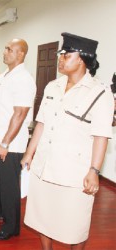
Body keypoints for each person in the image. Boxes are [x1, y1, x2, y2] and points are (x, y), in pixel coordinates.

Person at [21, 33, 114, 249]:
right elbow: (41, 123)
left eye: (66, 55)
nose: (60, 59)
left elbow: (101, 135)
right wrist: (29, 153)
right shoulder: (52, 86)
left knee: (75, 226)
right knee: (42, 219)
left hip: (74, 173)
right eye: (60, 54)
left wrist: (94, 170)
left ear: (81, 59)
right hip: (44, 166)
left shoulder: (100, 93)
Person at [0, 38, 36, 240]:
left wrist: (5, 143)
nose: (4, 52)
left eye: (9, 49)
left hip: (10, 144)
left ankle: (11, 226)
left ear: (20, 54)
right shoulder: (4, 75)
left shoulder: (24, 79)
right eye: (5, 48)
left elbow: (19, 114)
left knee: (9, 185)